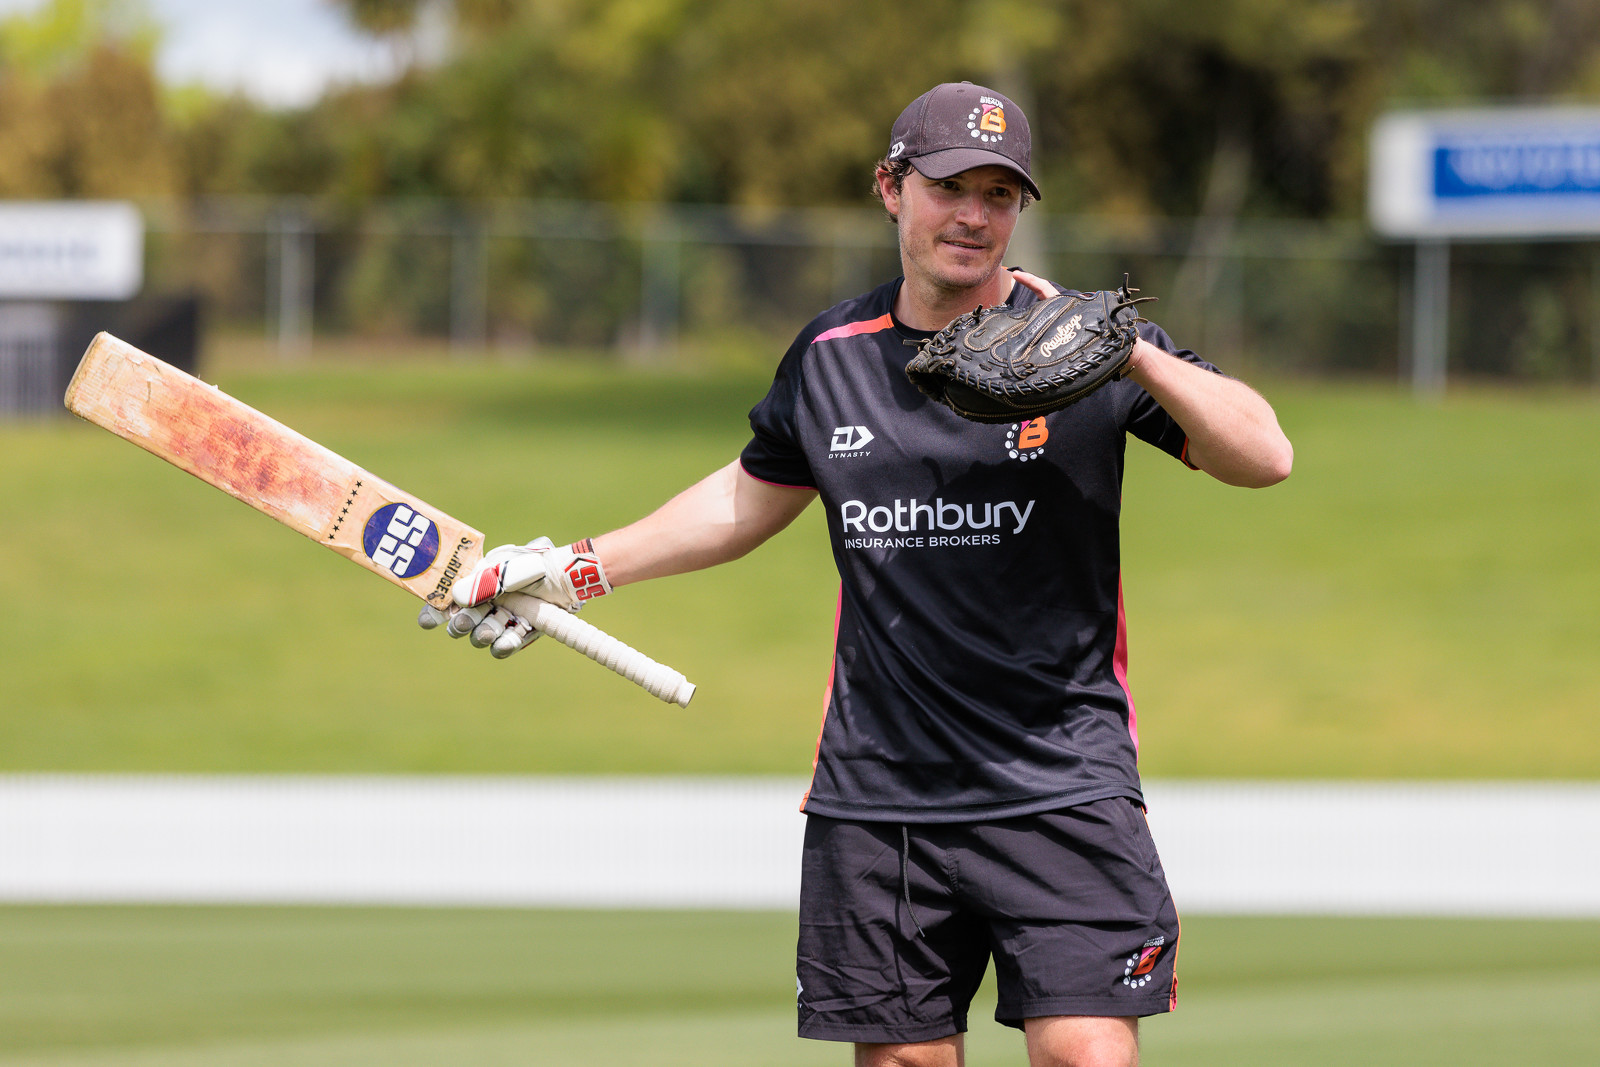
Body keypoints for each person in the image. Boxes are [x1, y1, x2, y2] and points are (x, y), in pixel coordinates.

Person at [421, 81, 1292, 1067]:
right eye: (948, 187)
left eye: (999, 195)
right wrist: (566, 571)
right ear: (890, 187)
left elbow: (1265, 454)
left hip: (1060, 777)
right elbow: (744, 500)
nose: (973, 216)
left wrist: (1134, 355)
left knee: (1084, 1051)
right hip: (879, 790)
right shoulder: (831, 356)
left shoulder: (1080, 343)